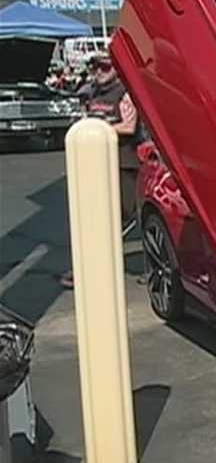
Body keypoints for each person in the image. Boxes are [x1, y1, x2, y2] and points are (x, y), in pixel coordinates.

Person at [59, 54, 146, 289]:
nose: (99, 71)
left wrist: (95, 129)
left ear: (116, 69)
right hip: (95, 164)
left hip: (124, 163)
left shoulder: (124, 93)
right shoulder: (91, 93)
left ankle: (151, 265)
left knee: (134, 215)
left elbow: (129, 126)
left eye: (104, 66)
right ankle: (88, 269)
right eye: (94, 66)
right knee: (97, 218)